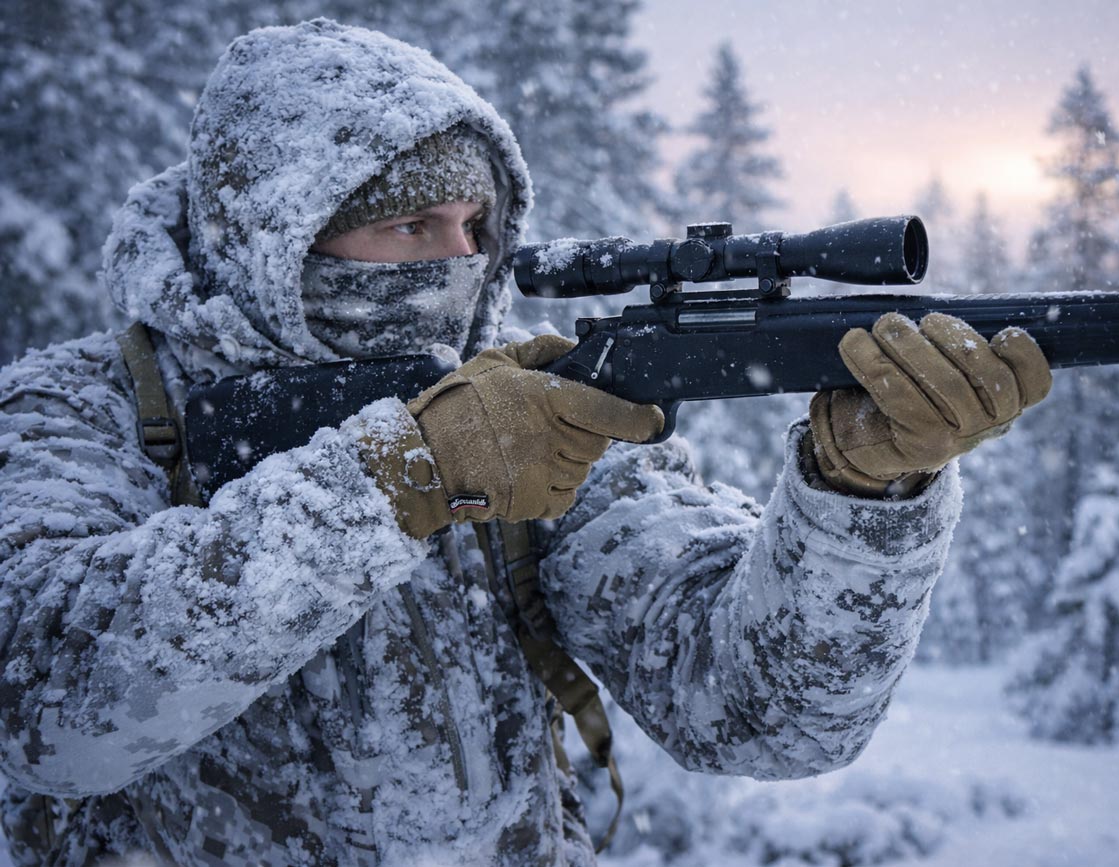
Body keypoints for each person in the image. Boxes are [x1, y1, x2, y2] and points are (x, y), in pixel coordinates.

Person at [0, 19, 1050, 867]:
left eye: (475, 228)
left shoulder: (523, 405)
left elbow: (756, 714)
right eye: (411, 228)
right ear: (272, 237)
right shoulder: (78, 411)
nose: (457, 264)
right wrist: (404, 474)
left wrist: (859, 494)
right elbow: (45, 707)